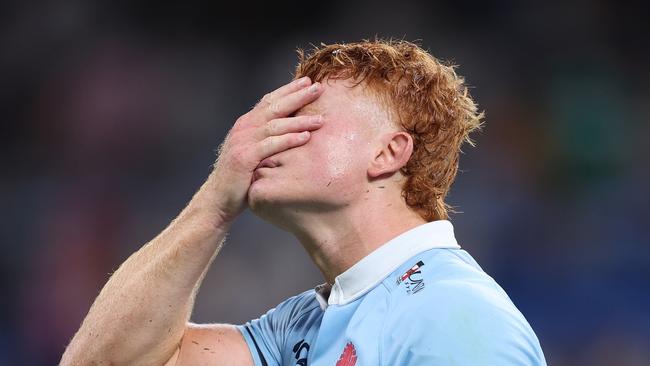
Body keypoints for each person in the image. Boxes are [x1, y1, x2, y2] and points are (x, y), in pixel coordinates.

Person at [61, 39, 547, 365]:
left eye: (306, 116)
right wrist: (213, 204)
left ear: (387, 153)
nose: (271, 134)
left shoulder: (451, 313)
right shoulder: (304, 323)